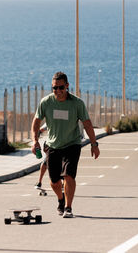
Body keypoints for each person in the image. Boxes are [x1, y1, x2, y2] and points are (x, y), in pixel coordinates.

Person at [31, 71, 100, 218]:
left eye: (61, 87)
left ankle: (68, 207)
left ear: (67, 86)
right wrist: (35, 141)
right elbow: (36, 122)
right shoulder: (46, 102)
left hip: (72, 144)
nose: (58, 91)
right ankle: (61, 200)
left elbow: (87, 124)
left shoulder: (77, 103)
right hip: (52, 145)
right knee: (54, 182)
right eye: (54, 88)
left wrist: (94, 144)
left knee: (69, 176)